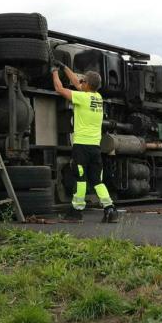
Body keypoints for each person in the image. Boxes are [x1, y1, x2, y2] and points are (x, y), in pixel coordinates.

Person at [52, 63, 119, 223]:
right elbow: (77, 83)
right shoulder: (97, 98)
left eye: (83, 81)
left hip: (81, 147)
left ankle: (76, 211)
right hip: (95, 147)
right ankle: (110, 209)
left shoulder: (82, 98)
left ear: (87, 84)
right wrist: (64, 68)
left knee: (80, 178)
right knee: (97, 180)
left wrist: (54, 72)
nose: (80, 82)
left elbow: (59, 89)